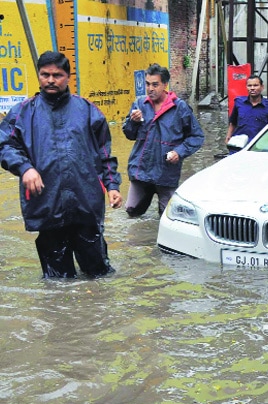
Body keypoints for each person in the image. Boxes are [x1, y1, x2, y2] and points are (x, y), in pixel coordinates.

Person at [0, 51, 122, 279]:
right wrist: (25, 168)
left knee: (99, 275)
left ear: (68, 77)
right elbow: (4, 144)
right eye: (45, 74)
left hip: (85, 204)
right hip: (47, 204)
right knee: (57, 280)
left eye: (57, 75)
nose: (50, 80)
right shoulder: (23, 113)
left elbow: (104, 153)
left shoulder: (87, 111)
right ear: (39, 76)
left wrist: (112, 186)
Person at [122, 63, 205, 218]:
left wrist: (179, 152)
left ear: (165, 84)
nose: (150, 89)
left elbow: (197, 136)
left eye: (155, 84)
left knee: (168, 219)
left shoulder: (179, 108)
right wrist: (133, 122)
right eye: (147, 84)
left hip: (166, 173)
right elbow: (129, 135)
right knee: (132, 214)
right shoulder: (139, 104)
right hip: (141, 171)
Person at [225, 75, 268, 154]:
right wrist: (228, 136)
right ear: (246, 87)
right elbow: (233, 122)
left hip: (259, 147)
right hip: (238, 146)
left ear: (262, 87)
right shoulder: (239, 102)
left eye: (255, 85)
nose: (252, 88)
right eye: (249, 85)